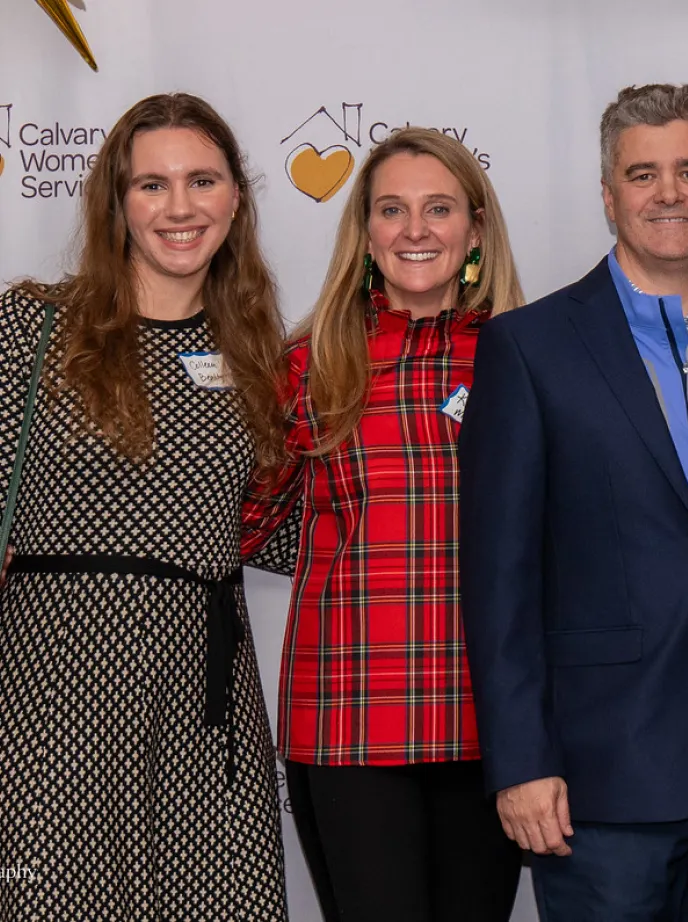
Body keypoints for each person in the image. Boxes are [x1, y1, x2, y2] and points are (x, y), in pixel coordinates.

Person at [458, 83, 688, 920]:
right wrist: (520, 758)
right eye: (642, 173)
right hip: (596, 777)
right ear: (608, 195)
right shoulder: (529, 347)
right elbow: (499, 581)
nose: (669, 192)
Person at [0, 93, 288, 920]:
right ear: (117, 203)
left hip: (201, 696)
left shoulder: (261, 357)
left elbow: (280, 533)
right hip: (51, 687)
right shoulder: (35, 327)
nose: (180, 207)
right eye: (151, 185)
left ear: (236, 197)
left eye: (202, 179)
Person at [242, 128, 526, 922]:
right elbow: (240, 524)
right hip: (348, 716)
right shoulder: (309, 365)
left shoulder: (528, 356)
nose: (415, 230)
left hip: (489, 719)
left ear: (475, 226)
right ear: (364, 232)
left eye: (438, 209)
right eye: (391, 210)